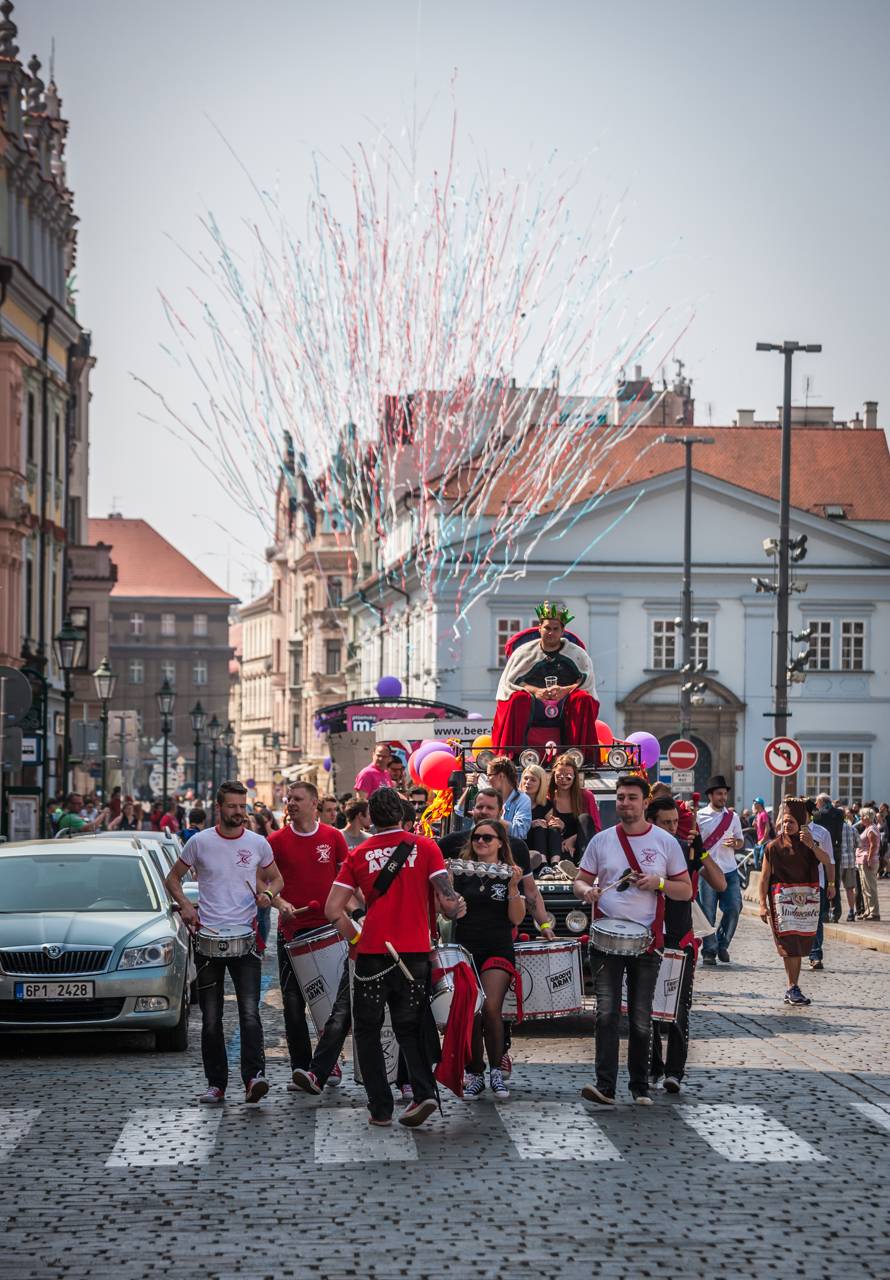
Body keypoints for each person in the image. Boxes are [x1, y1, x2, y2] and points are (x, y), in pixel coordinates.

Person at [324, 786, 466, 1129]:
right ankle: (423, 1092)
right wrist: (456, 905)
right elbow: (448, 903)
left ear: (370, 816)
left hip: (372, 955)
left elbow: (332, 909)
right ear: (403, 815)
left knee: (368, 1031)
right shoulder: (426, 847)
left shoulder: (359, 855)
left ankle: (380, 1107)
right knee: (412, 1026)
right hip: (414, 953)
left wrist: (356, 938)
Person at [574, 775, 691, 1105]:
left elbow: (686, 890)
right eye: (621, 797)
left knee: (641, 1018)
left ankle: (639, 1086)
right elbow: (580, 882)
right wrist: (588, 891)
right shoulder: (601, 841)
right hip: (605, 939)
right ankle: (605, 1086)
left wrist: (659, 883)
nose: (625, 803)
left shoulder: (666, 843)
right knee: (606, 1013)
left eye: (631, 798)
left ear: (644, 802)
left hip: (646, 941)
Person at [165, 780, 283, 1105]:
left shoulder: (258, 843)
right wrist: (187, 907)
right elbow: (172, 879)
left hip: (244, 940)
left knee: (250, 1014)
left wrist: (268, 895)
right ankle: (216, 1083)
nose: (238, 813)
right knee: (211, 1018)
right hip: (207, 940)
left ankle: (254, 1077)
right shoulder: (200, 843)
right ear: (219, 807)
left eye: (242, 806)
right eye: (232, 806)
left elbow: (277, 878)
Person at [267, 782, 350, 1087]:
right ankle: (301, 1068)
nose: (291, 803)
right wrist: (280, 902)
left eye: (298, 799)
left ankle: (327, 1062)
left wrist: (350, 914)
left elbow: (346, 880)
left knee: (329, 1001)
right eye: (289, 799)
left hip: (328, 929)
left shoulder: (333, 837)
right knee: (292, 1003)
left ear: (314, 803)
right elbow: (265, 884)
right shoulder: (275, 841)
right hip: (292, 931)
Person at [646, 795, 726, 1094]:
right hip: (651, 937)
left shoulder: (687, 851)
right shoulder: (643, 851)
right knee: (649, 1009)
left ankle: (674, 1072)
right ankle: (653, 1068)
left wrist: (702, 853)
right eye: (666, 823)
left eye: (675, 822)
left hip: (680, 936)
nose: (672, 828)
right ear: (651, 822)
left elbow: (720, 884)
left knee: (680, 1008)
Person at [450, 819, 526, 1099]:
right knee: (473, 1009)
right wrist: (450, 901)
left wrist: (515, 888)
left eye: (487, 838)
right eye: (477, 837)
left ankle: (496, 1070)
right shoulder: (459, 872)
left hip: (497, 947)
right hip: (466, 949)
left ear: (500, 843)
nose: (481, 842)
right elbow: (445, 913)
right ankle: (474, 1071)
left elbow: (516, 918)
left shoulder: (509, 874)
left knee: (491, 1006)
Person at [492, 602, 600, 758]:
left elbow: (585, 681)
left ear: (562, 631)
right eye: (547, 628)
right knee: (518, 699)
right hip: (532, 705)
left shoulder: (577, 654)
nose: (551, 633)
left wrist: (565, 690)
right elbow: (512, 682)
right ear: (539, 628)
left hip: (564, 704)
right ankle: (512, 755)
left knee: (582, 699)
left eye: (556, 629)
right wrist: (536, 691)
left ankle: (580, 756)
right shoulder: (524, 653)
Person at [757, 798, 833, 1006]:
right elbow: (764, 878)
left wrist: (812, 846)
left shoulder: (810, 844)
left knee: (799, 944)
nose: (786, 825)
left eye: (791, 822)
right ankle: (793, 987)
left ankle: (793, 986)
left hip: (805, 903)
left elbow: (826, 860)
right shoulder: (773, 847)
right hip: (781, 903)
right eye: (784, 821)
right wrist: (762, 904)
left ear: (800, 822)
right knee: (788, 944)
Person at [697, 775, 745, 966]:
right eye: (719, 794)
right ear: (710, 795)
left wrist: (736, 843)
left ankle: (722, 944)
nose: (723, 797)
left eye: (725, 794)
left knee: (734, 907)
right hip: (707, 870)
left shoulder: (732, 817)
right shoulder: (699, 817)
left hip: (729, 869)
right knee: (707, 913)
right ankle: (709, 950)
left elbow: (740, 840)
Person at [529, 753, 596, 867]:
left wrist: (574, 839)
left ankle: (583, 865)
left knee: (585, 818)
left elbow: (595, 828)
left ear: (575, 776)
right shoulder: (546, 798)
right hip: (555, 847)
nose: (564, 780)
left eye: (568, 776)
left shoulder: (586, 796)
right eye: (559, 776)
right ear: (553, 776)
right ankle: (548, 866)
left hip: (579, 847)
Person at [805, 799, 836, 971]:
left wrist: (831, 884)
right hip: (795, 882)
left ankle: (815, 955)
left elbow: (830, 860)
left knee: (815, 921)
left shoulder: (822, 833)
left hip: (818, 882)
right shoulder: (789, 830)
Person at [487, 757, 532, 840]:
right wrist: (470, 787)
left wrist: (492, 818)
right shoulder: (487, 796)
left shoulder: (523, 799)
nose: (487, 779)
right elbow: (460, 812)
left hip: (510, 849)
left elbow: (519, 832)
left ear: (501, 776)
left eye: (489, 775)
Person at [856, 807, 881, 920]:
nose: (860, 818)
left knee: (870, 888)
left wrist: (870, 860)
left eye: (862, 816)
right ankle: (868, 910)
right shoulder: (868, 828)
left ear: (867, 817)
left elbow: (873, 845)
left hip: (868, 861)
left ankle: (874, 912)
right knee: (865, 888)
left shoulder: (871, 829)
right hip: (863, 861)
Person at [752, 797, 774, 870]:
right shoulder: (758, 814)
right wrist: (755, 825)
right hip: (760, 840)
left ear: (759, 804)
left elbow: (767, 828)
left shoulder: (763, 814)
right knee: (757, 862)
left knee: (762, 859)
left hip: (765, 841)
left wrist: (763, 839)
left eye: (755, 803)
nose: (754, 804)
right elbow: (758, 828)